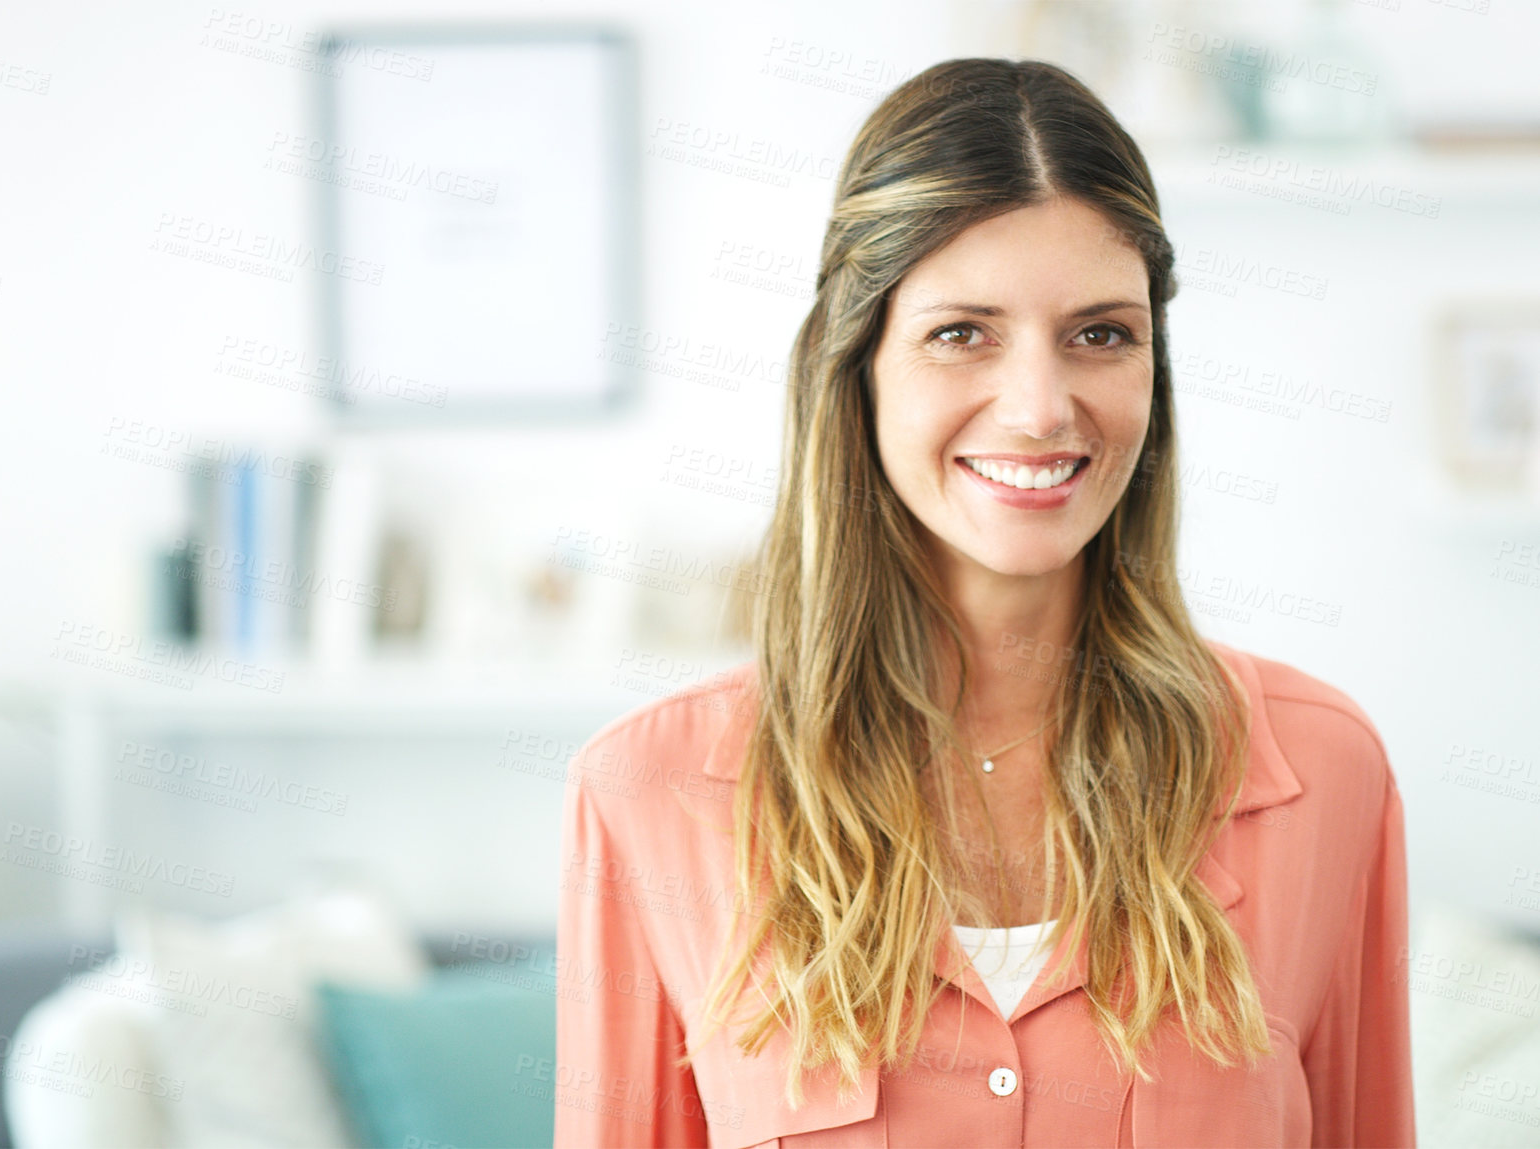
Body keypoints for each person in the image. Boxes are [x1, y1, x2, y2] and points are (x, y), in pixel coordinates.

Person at [554, 57, 1413, 1148]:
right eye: (962, 332)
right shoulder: (648, 790)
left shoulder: (1322, 770)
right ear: (857, 363)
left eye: (1100, 333)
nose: (1041, 407)